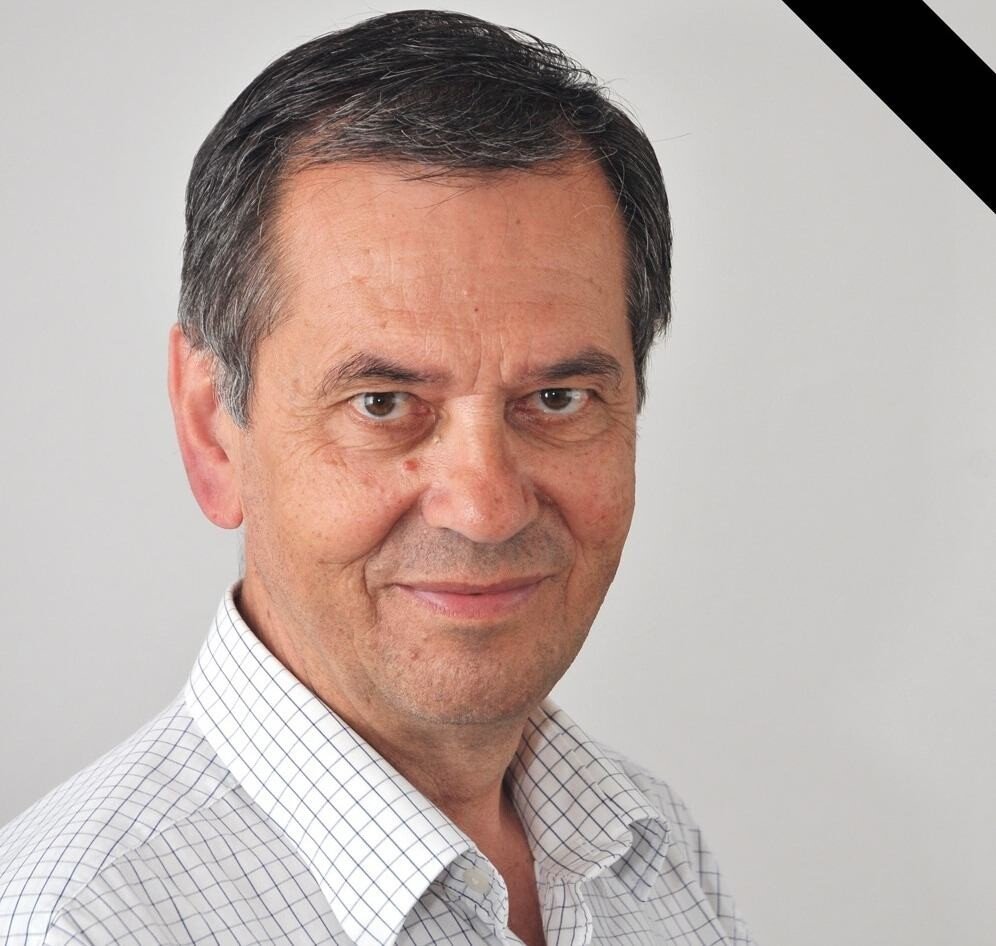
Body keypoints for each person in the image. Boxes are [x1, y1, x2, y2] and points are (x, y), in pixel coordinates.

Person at [0, 10, 753, 946]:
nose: (484, 508)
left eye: (556, 399)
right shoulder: (77, 924)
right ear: (212, 430)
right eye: (383, 403)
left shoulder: (653, 853)